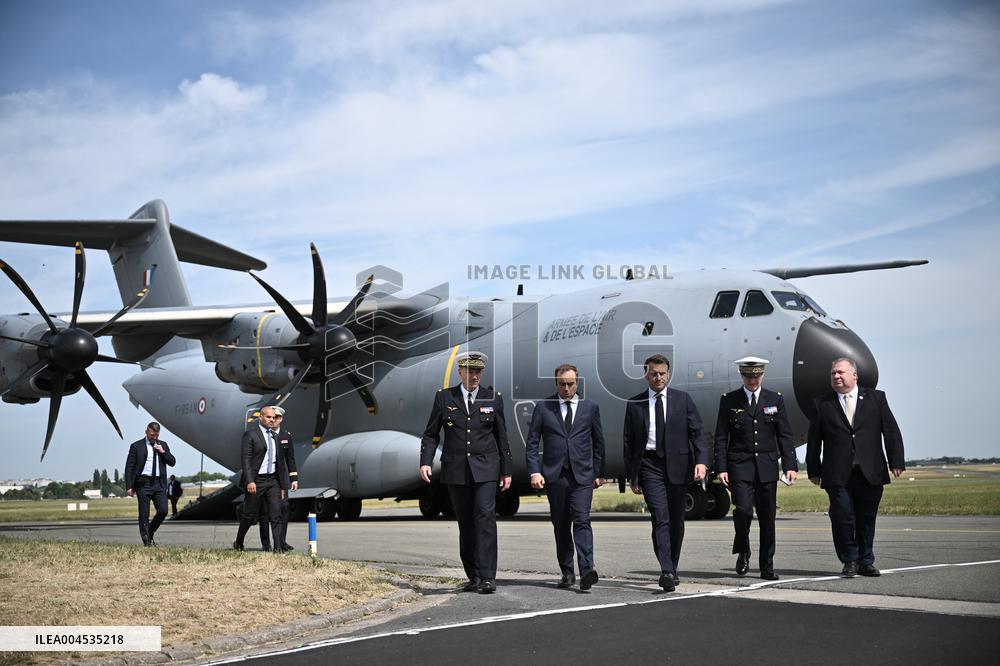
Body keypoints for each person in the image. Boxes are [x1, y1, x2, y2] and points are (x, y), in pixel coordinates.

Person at [420, 351, 513, 594]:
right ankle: (473, 576)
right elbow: (431, 434)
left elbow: (501, 437)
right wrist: (425, 461)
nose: (474, 376)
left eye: (478, 371)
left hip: (486, 469)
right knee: (466, 524)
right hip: (457, 471)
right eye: (470, 371)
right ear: (459, 372)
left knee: (485, 518)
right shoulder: (444, 398)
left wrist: (506, 470)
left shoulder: (492, 397)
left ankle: (488, 577)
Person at [807, 357, 904, 577]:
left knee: (866, 518)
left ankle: (865, 561)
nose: (836, 376)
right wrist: (814, 469)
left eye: (841, 372)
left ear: (854, 375)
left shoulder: (876, 399)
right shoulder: (822, 403)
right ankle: (849, 560)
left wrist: (896, 460)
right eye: (833, 373)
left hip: (870, 471)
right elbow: (814, 440)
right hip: (837, 473)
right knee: (843, 516)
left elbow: (890, 430)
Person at [623, 354, 708, 592]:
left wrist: (701, 462)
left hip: (679, 467)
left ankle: (673, 565)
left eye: (662, 373)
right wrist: (633, 475)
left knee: (676, 521)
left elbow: (698, 433)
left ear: (668, 374)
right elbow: (628, 443)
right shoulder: (635, 404)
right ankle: (666, 570)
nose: (658, 377)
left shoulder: (683, 400)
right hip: (649, 466)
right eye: (653, 373)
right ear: (646, 374)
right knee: (660, 517)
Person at [714, 357, 798, 580]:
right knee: (742, 511)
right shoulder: (729, 400)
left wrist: (790, 465)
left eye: (757, 376)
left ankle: (766, 565)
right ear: (742, 376)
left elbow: (785, 435)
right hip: (739, 466)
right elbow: (721, 437)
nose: (753, 380)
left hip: (767, 467)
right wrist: (722, 467)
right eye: (749, 376)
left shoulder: (775, 399)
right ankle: (743, 550)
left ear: (763, 375)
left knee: (767, 517)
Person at [525, 364, 606, 590]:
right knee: (561, 525)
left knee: (582, 520)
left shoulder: (590, 408)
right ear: (556, 384)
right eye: (562, 384)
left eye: (571, 384)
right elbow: (532, 443)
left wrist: (599, 472)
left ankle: (587, 569)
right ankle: (567, 572)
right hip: (555, 476)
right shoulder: (543, 408)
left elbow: (599, 443)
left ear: (577, 383)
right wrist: (534, 471)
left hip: (582, 477)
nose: (567, 388)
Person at [233, 406, 292, 552]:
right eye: (268, 417)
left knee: (276, 514)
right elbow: (245, 459)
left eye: (273, 417)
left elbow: (281, 464)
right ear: (261, 417)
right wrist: (250, 481)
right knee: (249, 515)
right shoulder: (251, 435)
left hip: (273, 481)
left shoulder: (276, 437)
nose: (272, 420)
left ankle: (278, 548)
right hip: (256, 481)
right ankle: (238, 542)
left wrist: (283, 486)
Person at [124, 422, 176, 546]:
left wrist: (163, 452)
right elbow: (129, 467)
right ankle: (147, 541)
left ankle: (150, 531)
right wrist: (129, 486)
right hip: (143, 483)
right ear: (146, 431)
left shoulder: (162, 445)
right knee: (144, 514)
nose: (154, 437)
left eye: (156, 435)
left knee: (163, 511)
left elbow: (172, 462)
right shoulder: (136, 446)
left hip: (159, 484)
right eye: (152, 435)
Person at [258, 405, 298, 552]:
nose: (274, 420)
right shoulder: (262, 435)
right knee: (265, 511)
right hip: (264, 479)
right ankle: (266, 542)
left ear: (281, 419)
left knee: (284, 508)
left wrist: (294, 478)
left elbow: (291, 459)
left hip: (280, 480)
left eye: (277, 417)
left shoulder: (286, 436)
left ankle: (281, 541)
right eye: (272, 417)